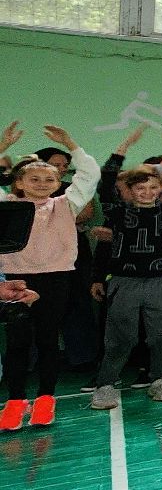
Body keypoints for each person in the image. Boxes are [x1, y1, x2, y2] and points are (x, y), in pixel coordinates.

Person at [90, 126, 162, 410]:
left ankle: (159, 380)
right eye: (140, 188)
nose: (147, 192)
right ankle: (105, 384)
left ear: (161, 188)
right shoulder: (118, 211)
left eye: (153, 187)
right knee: (120, 336)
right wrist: (124, 145)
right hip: (125, 281)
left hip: (160, 281)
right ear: (131, 190)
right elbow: (106, 182)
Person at [0, 121, 99, 429]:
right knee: (17, 343)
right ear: (19, 182)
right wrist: (2, 147)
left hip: (56, 279)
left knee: (47, 340)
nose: (42, 183)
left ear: (59, 183)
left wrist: (71, 142)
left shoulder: (65, 205)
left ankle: (45, 400)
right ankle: (15, 402)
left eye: (49, 178)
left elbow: (90, 174)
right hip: (16, 280)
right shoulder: (7, 205)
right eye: (34, 178)